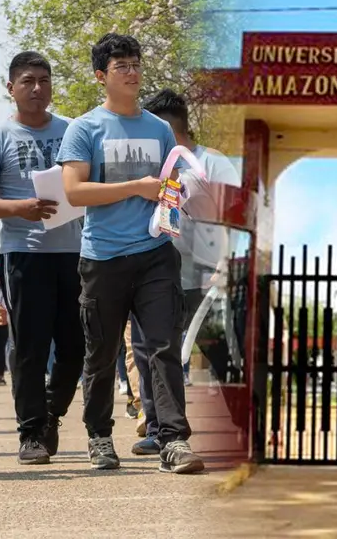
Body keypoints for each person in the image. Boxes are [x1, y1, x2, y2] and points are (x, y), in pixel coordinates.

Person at [55, 33, 203, 474]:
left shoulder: (159, 128)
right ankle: (99, 435)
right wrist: (136, 186)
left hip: (156, 252)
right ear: (101, 76)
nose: (133, 73)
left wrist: (176, 195)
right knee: (101, 355)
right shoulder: (84, 128)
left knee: (163, 347)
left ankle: (173, 439)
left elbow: (170, 183)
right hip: (103, 257)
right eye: (122, 66)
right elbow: (74, 192)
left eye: (136, 64)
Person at [0, 51, 86, 465]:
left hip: (75, 253)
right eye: (28, 81)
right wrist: (20, 208)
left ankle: (52, 413)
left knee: (75, 347)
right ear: (11, 88)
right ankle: (32, 433)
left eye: (44, 80)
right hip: (24, 255)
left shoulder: (73, 130)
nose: (37, 88)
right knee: (30, 348)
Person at [128, 89, 244, 455]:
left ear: (168, 129)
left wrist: (226, 262)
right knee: (151, 353)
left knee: (220, 351)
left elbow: (236, 216)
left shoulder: (212, 163)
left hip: (206, 276)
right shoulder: (152, 169)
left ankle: (244, 425)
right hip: (157, 275)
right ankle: (159, 429)